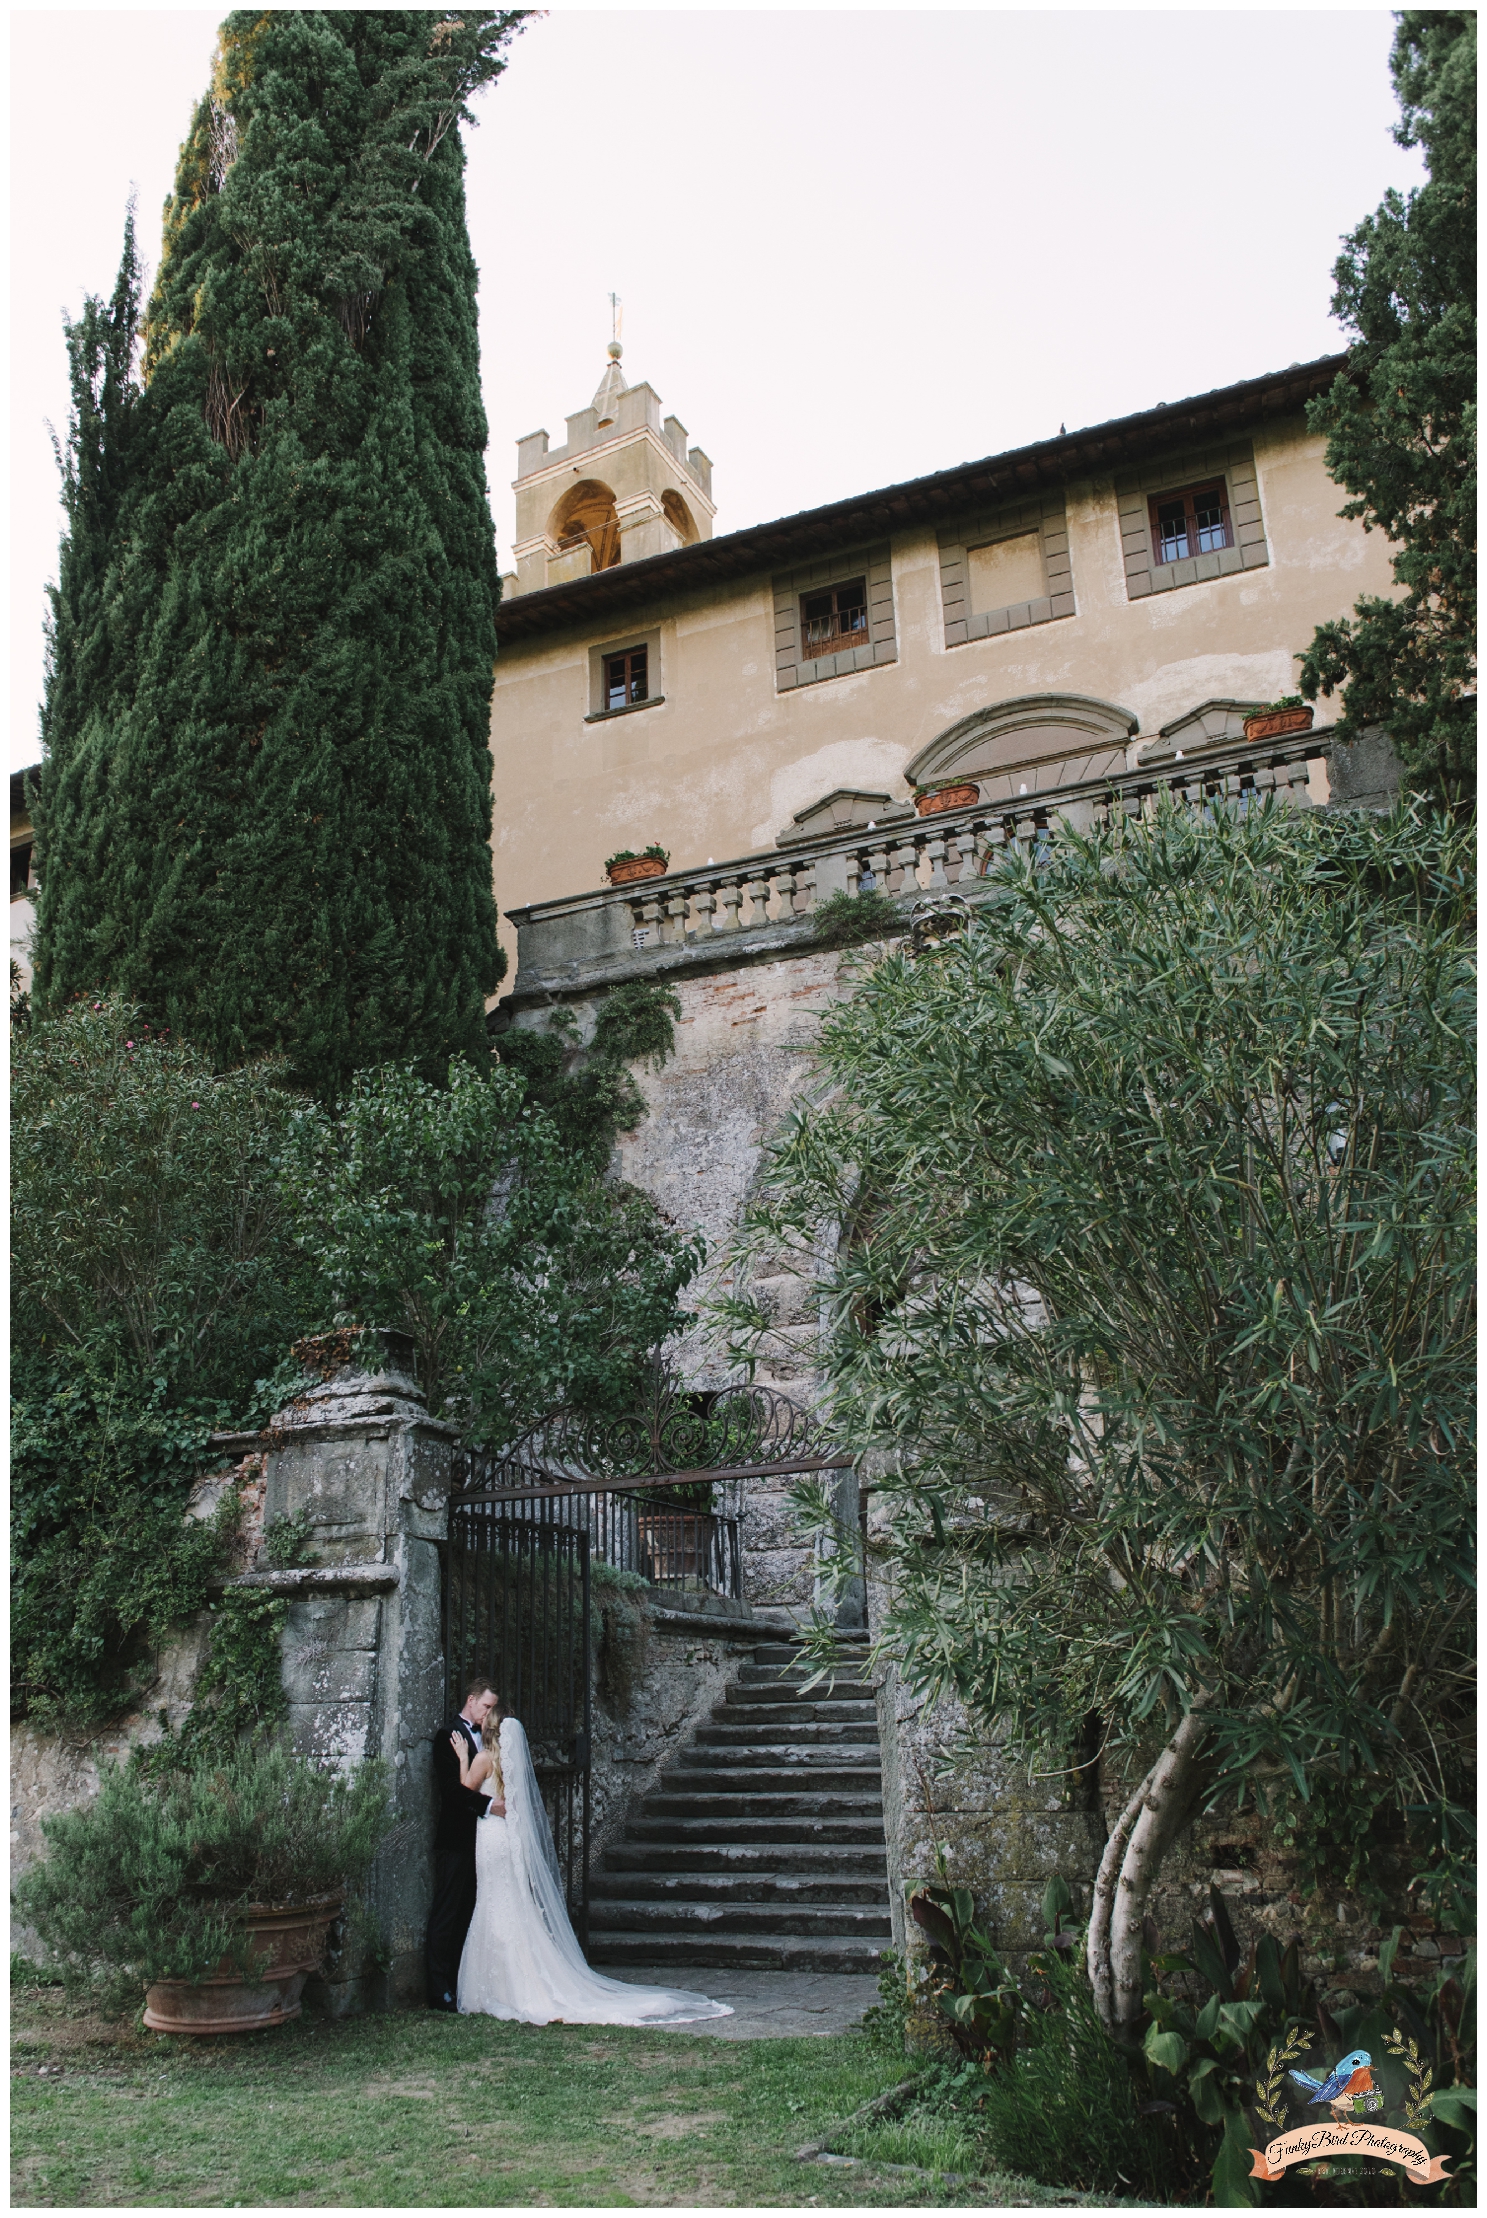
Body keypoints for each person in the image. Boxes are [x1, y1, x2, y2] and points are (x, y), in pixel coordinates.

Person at [453, 1706, 732, 2026]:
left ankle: (497, 1987)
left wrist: (462, 1755)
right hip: (503, 1838)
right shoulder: (509, 1764)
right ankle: (520, 1979)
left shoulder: (483, 1759)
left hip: (489, 1837)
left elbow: (463, 1790)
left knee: (492, 1900)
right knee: (509, 1903)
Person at [426, 1677, 501, 2012]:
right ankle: (438, 1990)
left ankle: (462, 1984)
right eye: (485, 1706)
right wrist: (488, 1806)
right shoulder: (448, 1736)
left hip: (483, 1844)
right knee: (446, 1913)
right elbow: (452, 1792)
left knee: (471, 1914)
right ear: (471, 1700)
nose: (488, 1713)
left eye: (491, 1709)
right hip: (455, 1840)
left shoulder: (488, 1741)